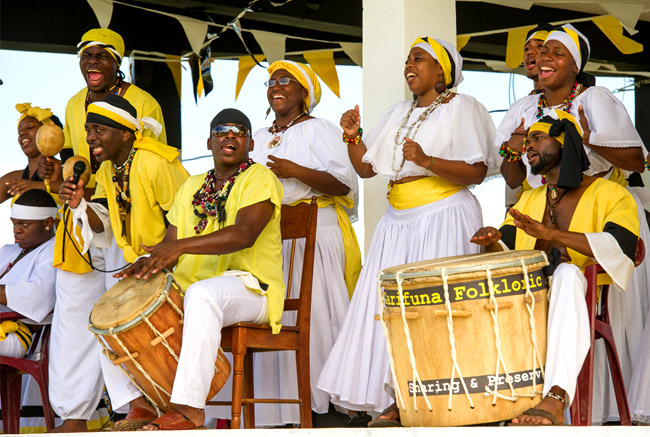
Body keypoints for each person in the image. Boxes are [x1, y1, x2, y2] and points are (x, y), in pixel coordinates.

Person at [317, 37, 497, 420]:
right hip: (396, 222)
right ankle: (393, 398)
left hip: (443, 214)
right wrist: (352, 137)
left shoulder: (462, 107)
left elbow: (477, 171)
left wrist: (428, 160)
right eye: (407, 60)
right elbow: (366, 168)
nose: (409, 66)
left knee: (433, 311)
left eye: (419, 58)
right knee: (387, 311)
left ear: (442, 70)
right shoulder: (398, 111)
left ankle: (423, 400)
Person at [91, 108, 284, 431]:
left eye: (240, 131)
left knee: (201, 295)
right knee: (109, 311)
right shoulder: (193, 185)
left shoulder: (260, 178)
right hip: (194, 292)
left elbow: (243, 234)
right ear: (209, 141)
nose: (231, 136)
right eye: (222, 130)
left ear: (250, 144)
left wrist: (179, 247)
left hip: (252, 288)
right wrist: (148, 265)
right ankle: (138, 404)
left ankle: (188, 410)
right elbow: (171, 244)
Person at [495, 23, 649, 424]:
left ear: (576, 66)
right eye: (540, 51)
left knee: (590, 293)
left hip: (598, 213)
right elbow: (514, 180)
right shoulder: (528, 109)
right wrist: (513, 149)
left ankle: (605, 410)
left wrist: (582, 139)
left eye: (556, 53)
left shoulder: (595, 98)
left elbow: (635, 161)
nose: (543, 58)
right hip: (542, 206)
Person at [472, 111, 639, 424]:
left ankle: (557, 396)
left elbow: (623, 247)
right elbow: (505, 251)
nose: (528, 146)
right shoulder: (528, 200)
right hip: (522, 298)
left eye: (537, 138)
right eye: (527, 141)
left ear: (564, 142)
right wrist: (490, 241)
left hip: (580, 294)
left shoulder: (611, 194)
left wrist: (552, 236)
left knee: (566, 274)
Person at [55, 94, 188, 432]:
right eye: (87, 130)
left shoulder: (157, 161)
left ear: (126, 134)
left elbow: (188, 210)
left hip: (178, 263)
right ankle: (137, 405)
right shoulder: (111, 168)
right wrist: (79, 206)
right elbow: (108, 224)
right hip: (139, 262)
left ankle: (175, 406)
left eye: (98, 130)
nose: (89, 139)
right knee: (105, 326)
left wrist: (166, 251)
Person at [240, 60, 360, 426]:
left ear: (304, 93)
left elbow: (344, 186)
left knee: (319, 319)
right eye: (271, 81)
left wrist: (295, 171)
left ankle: (325, 406)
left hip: (315, 233)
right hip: (268, 241)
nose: (276, 86)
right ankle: (280, 412)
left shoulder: (320, 130)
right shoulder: (256, 137)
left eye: (285, 81)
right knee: (275, 320)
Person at [0, 189, 57, 358]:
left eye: (24, 224)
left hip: (14, 336)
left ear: (47, 222)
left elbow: (38, 296)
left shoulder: (53, 253)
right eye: (14, 223)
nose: (17, 230)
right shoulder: (8, 251)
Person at [1, 104, 63, 204]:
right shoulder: (14, 178)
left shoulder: (66, 170)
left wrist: (44, 186)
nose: (22, 133)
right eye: (19, 132)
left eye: (30, 127)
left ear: (51, 133)